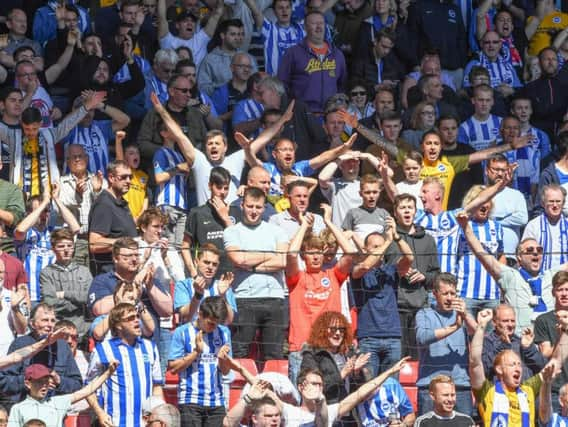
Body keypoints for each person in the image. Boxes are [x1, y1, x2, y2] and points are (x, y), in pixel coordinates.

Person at [458, 209, 560, 332]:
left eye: (539, 250)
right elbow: (482, 255)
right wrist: (466, 227)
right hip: (520, 341)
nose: (535, 253)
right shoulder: (510, 276)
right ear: (519, 257)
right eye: (529, 250)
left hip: (548, 342)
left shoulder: (552, 275)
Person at [287, 206, 356, 383]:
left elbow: (350, 252)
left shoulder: (333, 275)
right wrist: (303, 226)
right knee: (302, 400)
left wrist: (328, 221)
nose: (316, 256)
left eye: (318, 252)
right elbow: (291, 253)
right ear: (304, 256)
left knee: (333, 397)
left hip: (330, 347)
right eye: (310, 252)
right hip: (301, 348)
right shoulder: (296, 278)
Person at [470, 308, 567, 426]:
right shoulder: (487, 391)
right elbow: (475, 362)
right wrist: (481, 326)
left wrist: (566, 331)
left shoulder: (528, 389)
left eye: (519, 364)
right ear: (499, 369)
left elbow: (555, 363)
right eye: (512, 364)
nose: (517, 368)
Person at [224, 187, 289, 359]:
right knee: (240, 352)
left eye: (258, 207)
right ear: (242, 205)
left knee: (274, 354)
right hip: (244, 298)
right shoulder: (232, 231)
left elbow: (282, 261)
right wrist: (269, 254)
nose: (254, 211)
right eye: (250, 206)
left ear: (264, 207)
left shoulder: (277, 231)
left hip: (274, 297)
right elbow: (239, 259)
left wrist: (251, 266)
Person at [350, 217, 414, 377]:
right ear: (365, 249)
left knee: (391, 386)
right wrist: (387, 242)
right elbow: (365, 265)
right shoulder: (358, 270)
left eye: (382, 246)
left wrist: (397, 237)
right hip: (368, 337)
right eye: (375, 247)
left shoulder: (391, 269)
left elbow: (409, 258)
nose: (381, 250)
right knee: (368, 386)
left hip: (393, 336)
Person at [86, 303, 164, 427]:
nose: (137, 321)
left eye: (137, 316)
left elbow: (157, 386)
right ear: (118, 325)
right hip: (114, 424)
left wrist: (159, 417)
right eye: (130, 318)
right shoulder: (103, 350)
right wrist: (100, 413)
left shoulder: (150, 347)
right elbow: (89, 388)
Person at [384, 193, 439, 359]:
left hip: (420, 305)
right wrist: (399, 269)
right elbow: (385, 267)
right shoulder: (389, 239)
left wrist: (424, 276)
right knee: (398, 357)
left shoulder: (428, 240)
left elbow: (436, 274)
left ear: (415, 211)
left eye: (410, 208)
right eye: (402, 208)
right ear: (395, 213)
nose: (407, 211)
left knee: (419, 356)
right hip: (397, 305)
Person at [415, 272, 477, 415]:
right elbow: (422, 337)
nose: (450, 298)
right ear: (435, 293)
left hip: (459, 387)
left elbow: (477, 333)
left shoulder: (463, 314)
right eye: (445, 293)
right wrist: (454, 327)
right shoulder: (424, 314)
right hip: (430, 387)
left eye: (453, 293)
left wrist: (466, 314)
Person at [0, 303, 82, 404]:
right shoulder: (20, 344)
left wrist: (59, 381)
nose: (50, 325)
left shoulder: (63, 347)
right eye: (45, 320)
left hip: (55, 408)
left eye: (52, 321)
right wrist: (31, 382)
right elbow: (4, 382)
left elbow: (77, 384)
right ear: (32, 324)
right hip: (24, 406)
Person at [168, 296, 231, 426]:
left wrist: (222, 359)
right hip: (190, 400)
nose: (214, 327)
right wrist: (196, 352)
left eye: (217, 324)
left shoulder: (224, 333)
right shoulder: (182, 332)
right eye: (211, 323)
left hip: (217, 402)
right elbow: (173, 368)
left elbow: (225, 372)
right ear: (200, 314)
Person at [15, 185, 80, 305]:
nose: (43, 215)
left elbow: (75, 228)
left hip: (53, 296)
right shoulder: (26, 233)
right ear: (29, 213)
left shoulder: (54, 232)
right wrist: (44, 202)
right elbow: (20, 231)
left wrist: (56, 199)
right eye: (39, 211)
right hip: (30, 296)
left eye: (46, 211)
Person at [7, 361, 118, 427]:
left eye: (46, 381)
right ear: (28, 384)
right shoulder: (18, 408)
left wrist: (108, 372)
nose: (44, 385)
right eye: (39, 382)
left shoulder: (58, 402)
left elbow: (87, 391)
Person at [277, 11, 347, 113]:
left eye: (321, 23)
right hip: (303, 114)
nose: (318, 27)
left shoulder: (337, 54)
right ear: (305, 27)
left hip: (331, 115)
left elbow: (342, 85)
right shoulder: (293, 53)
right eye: (314, 23)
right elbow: (282, 86)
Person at [300, 311, 369, 413]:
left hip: (350, 413)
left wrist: (357, 373)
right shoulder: (312, 355)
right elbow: (312, 389)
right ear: (322, 331)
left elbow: (362, 391)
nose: (337, 333)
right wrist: (342, 374)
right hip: (324, 412)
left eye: (341, 330)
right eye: (333, 329)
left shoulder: (349, 353)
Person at [184, 167, 241, 275]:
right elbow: (185, 245)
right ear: (210, 186)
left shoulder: (236, 212)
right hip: (205, 275)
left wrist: (225, 217)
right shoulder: (197, 213)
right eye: (219, 188)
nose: (222, 192)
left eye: (226, 188)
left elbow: (241, 242)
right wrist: (192, 270)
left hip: (230, 275)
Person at [88, 160, 138, 274]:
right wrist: (127, 243)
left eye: (130, 177)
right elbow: (95, 244)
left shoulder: (121, 202)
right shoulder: (104, 204)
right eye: (124, 177)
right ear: (111, 178)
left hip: (127, 274)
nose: (128, 181)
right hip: (110, 277)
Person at [40, 229, 92, 337]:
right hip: (58, 330)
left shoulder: (84, 271)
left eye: (69, 246)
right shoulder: (47, 273)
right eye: (61, 247)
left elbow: (89, 298)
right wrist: (78, 303)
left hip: (83, 330)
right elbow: (50, 303)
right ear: (53, 249)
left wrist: (64, 294)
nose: (66, 250)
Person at [174, 243, 237, 324]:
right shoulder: (183, 285)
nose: (210, 267)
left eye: (214, 264)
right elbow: (185, 318)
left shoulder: (224, 286)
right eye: (206, 262)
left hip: (216, 336)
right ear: (196, 262)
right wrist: (197, 296)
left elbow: (229, 321)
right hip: (193, 335)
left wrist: (223, 296)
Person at [481, 304, 546, 382]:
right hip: (499, 392)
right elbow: (484, 369)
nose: (510, 325)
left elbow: (542, 366)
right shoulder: (486, 341)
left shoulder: (521, 341)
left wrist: (529, 349)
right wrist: (503, 346)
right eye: (505, 321)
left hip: (525, 392)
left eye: (512, 321)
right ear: (494, 322)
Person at [157, 0, 223, 67]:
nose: (190, 23)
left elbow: (217, 14)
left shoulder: (201, 39)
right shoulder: (168, 41)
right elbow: (161, 17)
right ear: (177, 25)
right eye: (185, 21)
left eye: (193, 21)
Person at [522, 184, 568, 270]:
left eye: (558, 201)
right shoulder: (533, 225)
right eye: (551, 201)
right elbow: (525, 254)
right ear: (543, 203)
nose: (555, 205)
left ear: (563, 203)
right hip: (540, 277)